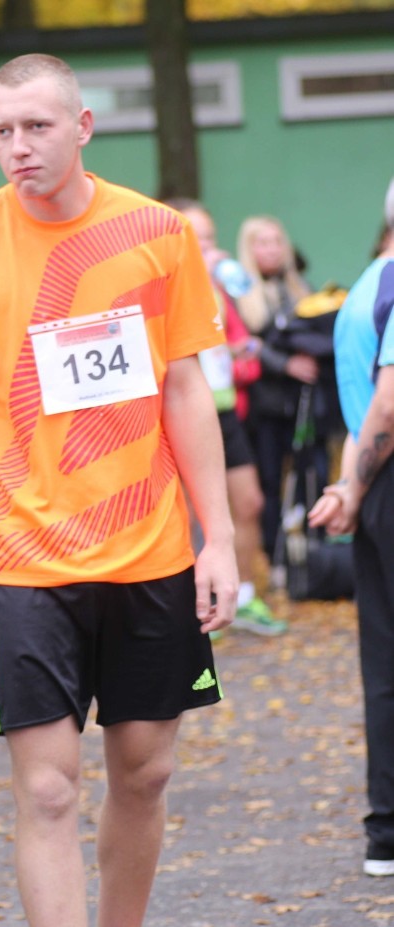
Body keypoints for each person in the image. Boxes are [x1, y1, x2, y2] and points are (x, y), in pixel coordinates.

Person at [0, 54, 237, 927]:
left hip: (151, 547)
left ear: (83, 127)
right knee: (48, 789)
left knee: (146, 771)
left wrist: (222, 538)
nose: (19, 147)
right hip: (21, 556)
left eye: (37, 127)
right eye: (3, 131)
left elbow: (185, 387)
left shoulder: (158, 231)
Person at [308, 176, 394, 879]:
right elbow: (388, 410)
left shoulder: (363, 289)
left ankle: (385, 833)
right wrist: (358, 481)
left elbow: (360, 408)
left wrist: (348, 486)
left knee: (384, 664)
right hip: (385, 472)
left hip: (375, 486)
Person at [167, 199, 287, 636]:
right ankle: (193, 605)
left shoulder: (216, 288)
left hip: (225, 411)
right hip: (179, 418)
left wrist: (241, 354)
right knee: (190, 516)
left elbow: (240, 342)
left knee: (250, 502)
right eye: (196, 239)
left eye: (211, 239)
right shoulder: (161, 287)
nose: (206, 248)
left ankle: (246, 597)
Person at [234, 215, 333, 574]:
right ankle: (275, 559)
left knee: (314, 474)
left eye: (277, 241)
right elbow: (243, 344)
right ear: (249, 247)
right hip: (266, 405)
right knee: (270, 482)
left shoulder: (299, 287)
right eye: (263, 242)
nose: (272, 249)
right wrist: (284, 363)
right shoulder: (239, 292)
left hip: (304, 403)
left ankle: (314, 555)